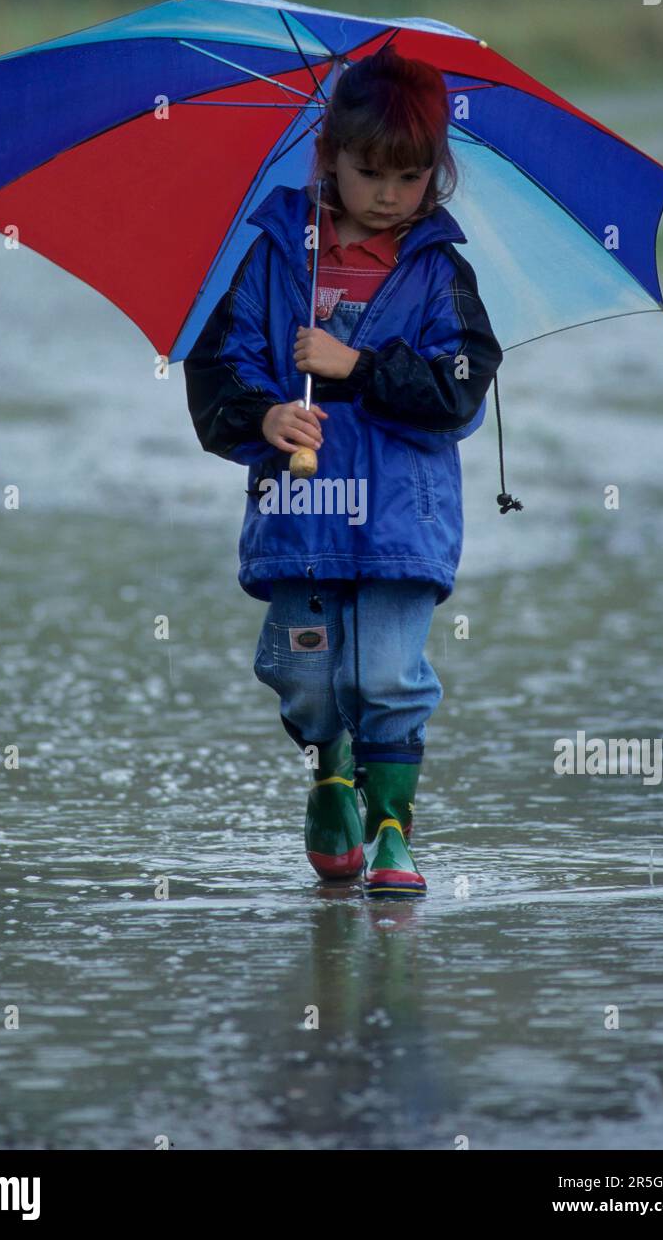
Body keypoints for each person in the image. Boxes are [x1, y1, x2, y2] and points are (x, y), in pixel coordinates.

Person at [183, 46, 504, 897]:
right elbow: (218, 368)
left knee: (388, 674)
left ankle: (393, 827)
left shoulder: (440, 272)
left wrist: (357, 365)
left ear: (435, 174)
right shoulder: (275, 254)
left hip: (401, 522)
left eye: (411, 175)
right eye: (369, 172)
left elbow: (460, 391)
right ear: (328, 155)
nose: (390, 194)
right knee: (307, 676)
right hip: (304, 515)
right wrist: (264, 415)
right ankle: (331, 773)